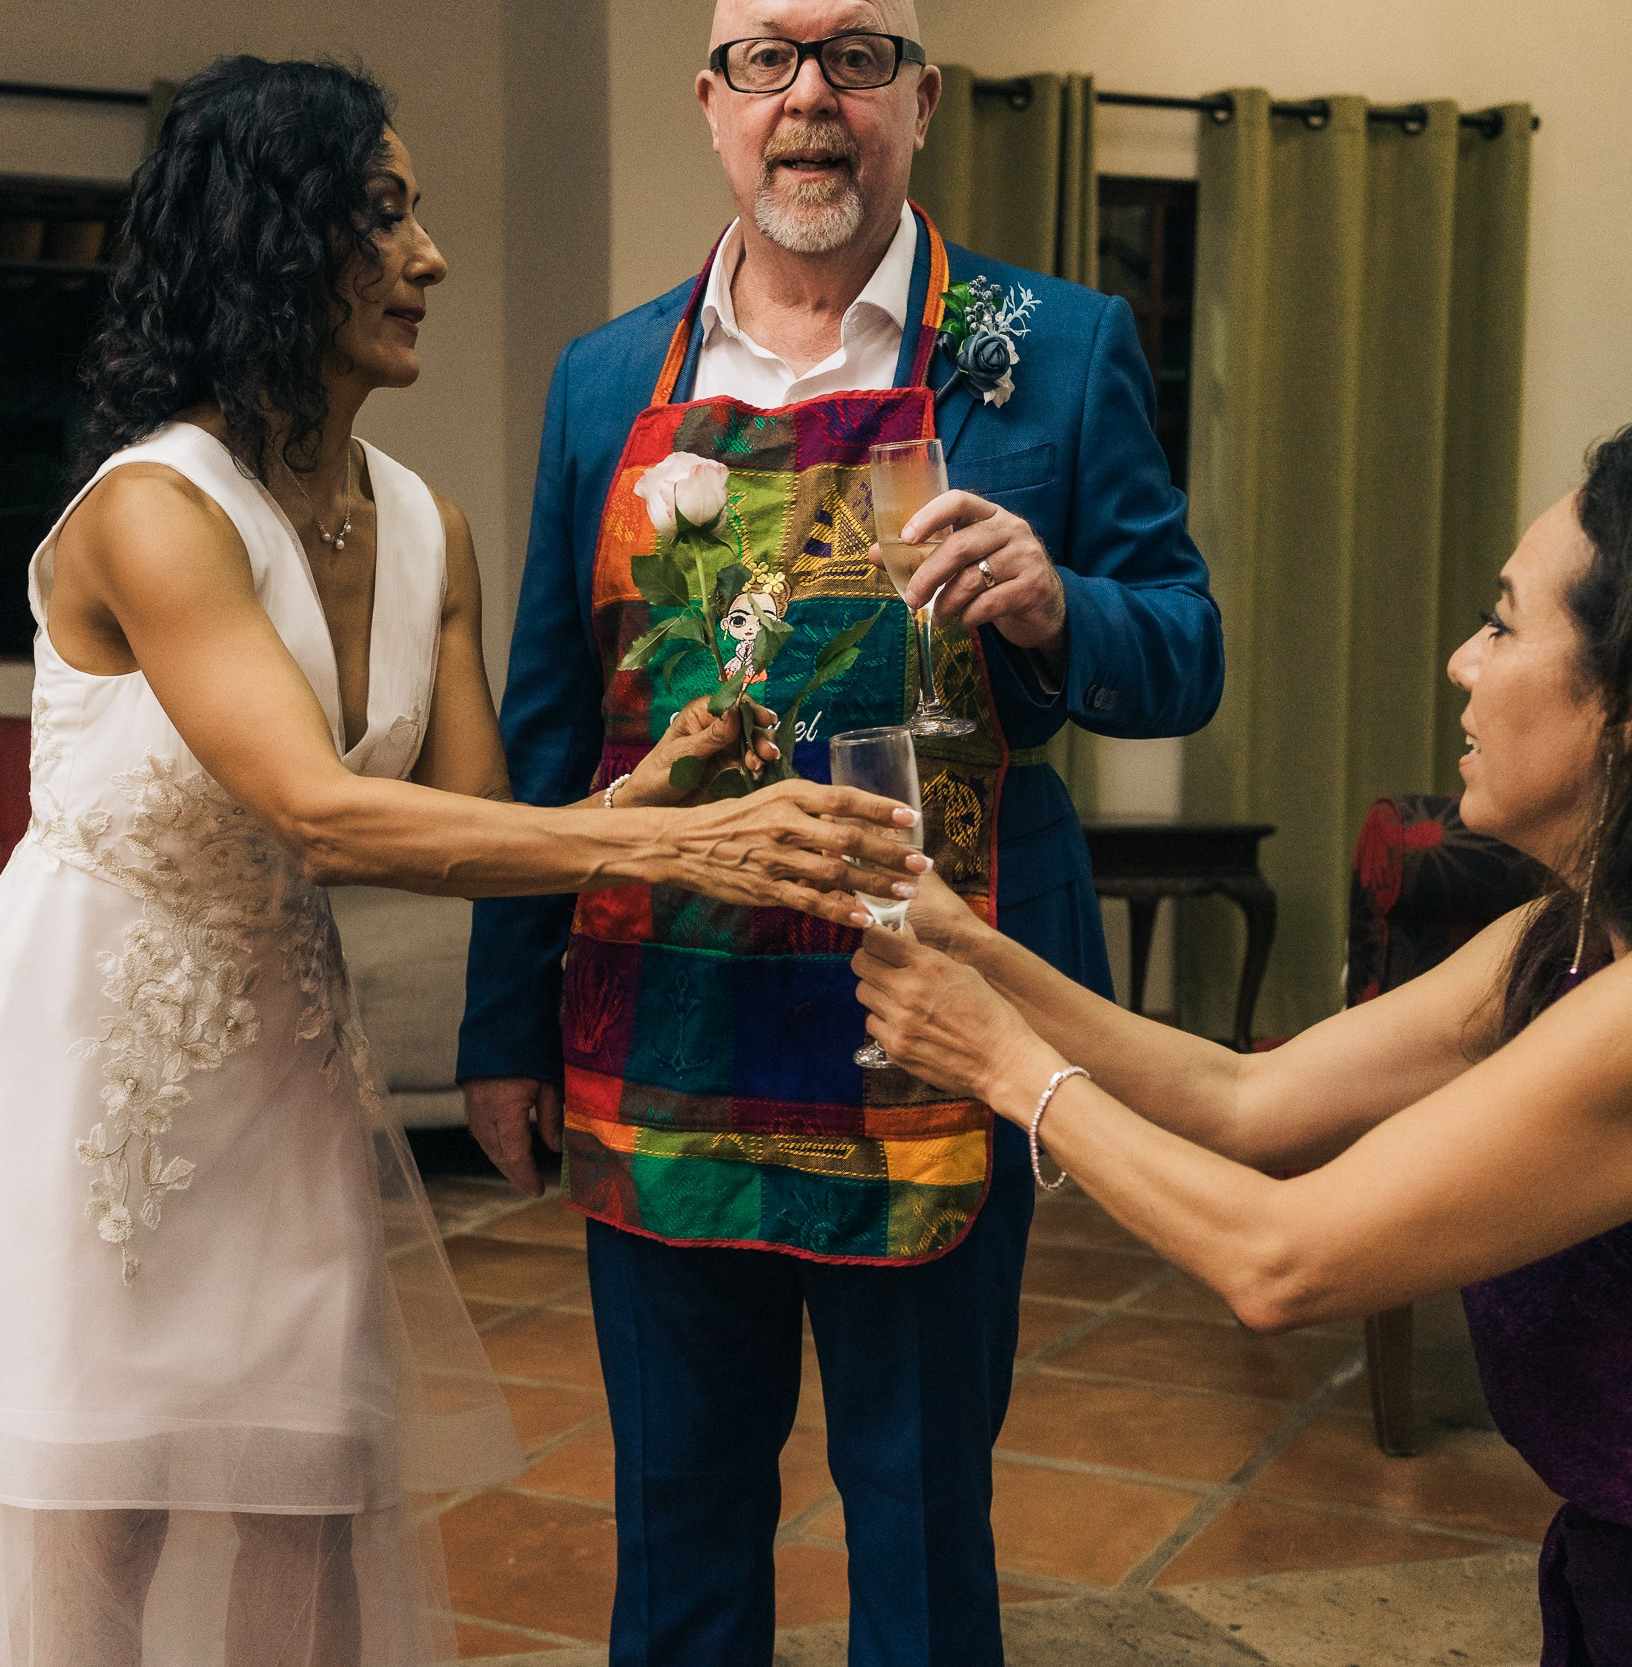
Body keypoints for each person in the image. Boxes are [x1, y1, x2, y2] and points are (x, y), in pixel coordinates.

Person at [0, 56, 920, 1667]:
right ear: (274, 245)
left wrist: (652, 784)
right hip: (91, 1079)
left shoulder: (428, 526)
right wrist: (690, 839)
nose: (432, 259)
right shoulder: (150, 508)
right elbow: (326, 811)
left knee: (307, 1497)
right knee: (96, 1519)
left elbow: (475, 823)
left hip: (284, 1068)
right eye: (386, 216)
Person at [852, 420, 1632, 1667]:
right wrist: (965, 942)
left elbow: (1283, 1259)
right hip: (1631, 1580)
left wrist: (1004, 1067)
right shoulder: (1567, 934)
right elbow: (1251, 1095)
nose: (1463, 660)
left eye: (1505, 623)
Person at [456, 2, 1223, 1662]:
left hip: (937, 1024)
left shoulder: (1055, 345)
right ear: (714, 107)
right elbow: (550, 729)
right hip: (668, 1013)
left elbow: (1185, 650)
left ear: (923, 102)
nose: (812, 97)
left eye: (858, 56)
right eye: (769, 59)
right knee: (676, 1509)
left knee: (926, 1508)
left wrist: (1057, 602)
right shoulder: (607, 380)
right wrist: (500, 1023)